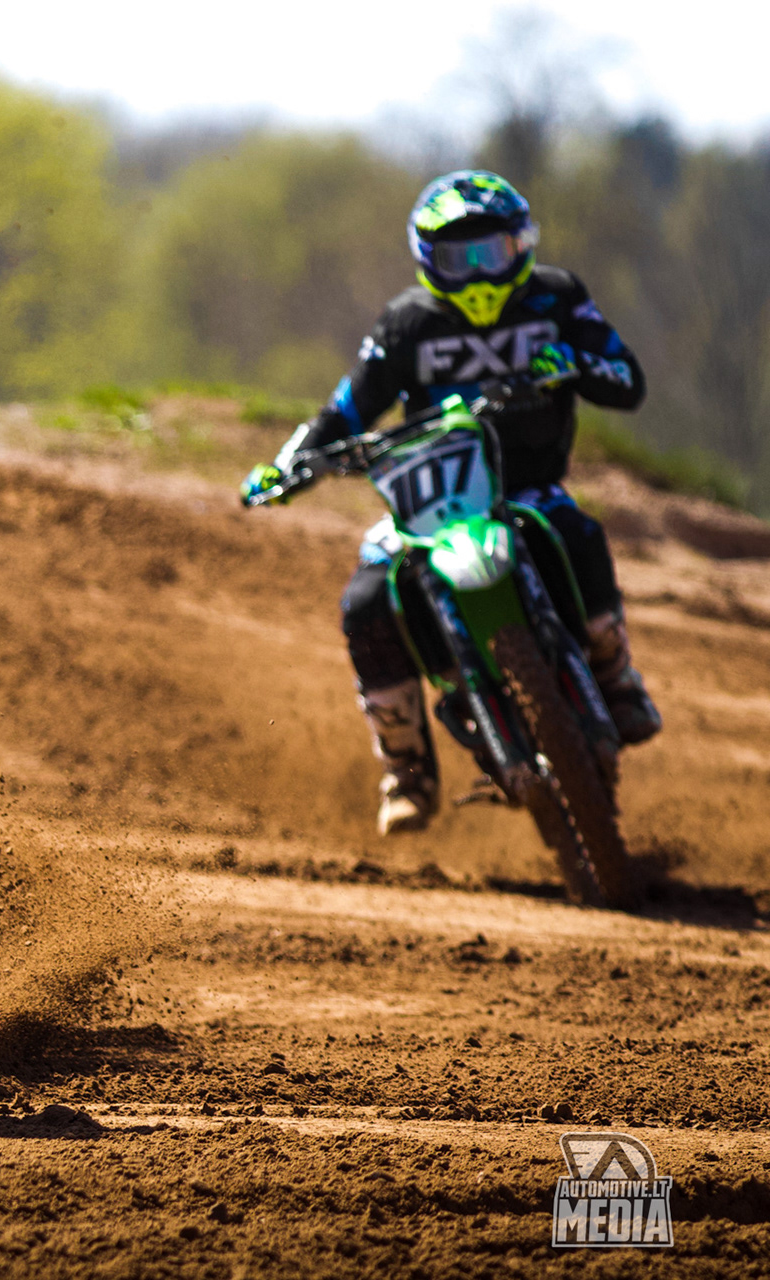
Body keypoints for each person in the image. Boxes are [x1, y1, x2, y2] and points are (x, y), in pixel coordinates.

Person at [243, 170, 661, 836]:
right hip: (432, 502)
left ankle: (614, 676)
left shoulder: (556, 297)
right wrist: (288, 466)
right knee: (365, 599)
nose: (478, 274)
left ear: (522, 245)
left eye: (491, 253)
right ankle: (406, 766)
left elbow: (628, 379)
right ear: (426, 260)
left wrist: (574, 366)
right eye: (457, 259)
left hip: (526, 487)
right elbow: (348, 409)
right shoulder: (406, 323)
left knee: (577, 531)